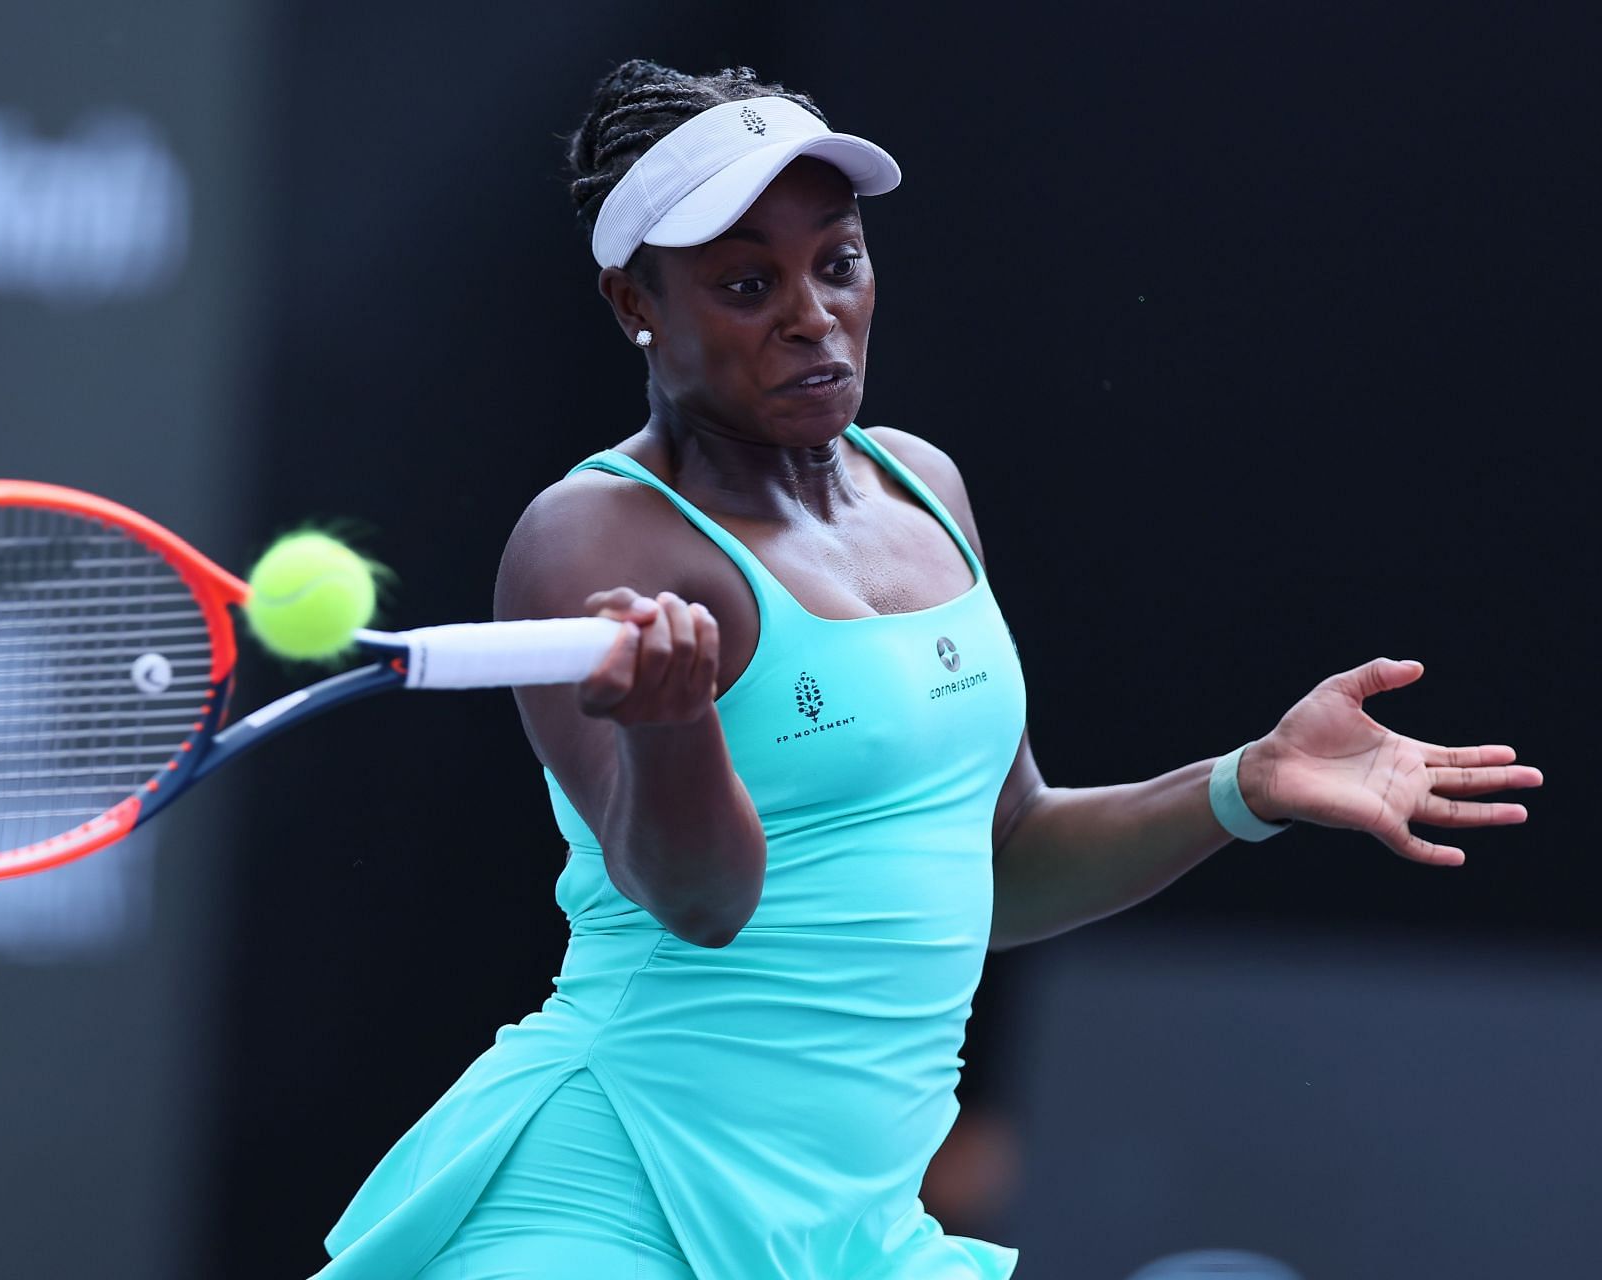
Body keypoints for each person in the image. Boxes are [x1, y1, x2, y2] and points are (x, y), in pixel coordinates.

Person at [316, 60, 1541, 1279]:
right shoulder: (595, 536)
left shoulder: (924, 487)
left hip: (855, 1234)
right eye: (748, 282)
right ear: (635, 301)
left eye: (836, 261)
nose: (811, 313)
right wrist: (675, 727)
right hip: (609, 1196)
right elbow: (698, 903)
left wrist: (1245, 784)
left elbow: (999, 863)